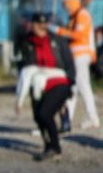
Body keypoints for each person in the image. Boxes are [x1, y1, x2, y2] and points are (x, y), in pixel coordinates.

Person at [15, 13, 75, 161]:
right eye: (39, 24)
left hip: (59, 82)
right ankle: (48, 145)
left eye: (44, 25)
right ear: (33, 25)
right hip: (37, 84)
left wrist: (70, 85)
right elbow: (22, 67)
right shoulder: (26, 42)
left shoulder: (57, 41)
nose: (42, 28)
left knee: (45, 113)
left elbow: (69, 64)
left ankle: (56, 148)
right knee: (38, 116)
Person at [55, 0, 100, 130]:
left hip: (80, 55)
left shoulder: (82, 14)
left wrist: (59, 31)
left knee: (82, 85)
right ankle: (67, 119)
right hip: (75, 55)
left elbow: (79, 35)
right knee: (73, 87)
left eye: (66, 3)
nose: (64, 7)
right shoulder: (75, 15)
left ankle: (92, 116)